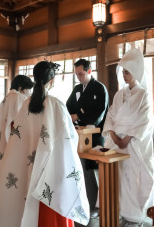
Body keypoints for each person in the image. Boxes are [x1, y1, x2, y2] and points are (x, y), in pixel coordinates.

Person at [0, 61, 89, 227]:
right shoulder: (56, 104)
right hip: (50, 169)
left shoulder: (26, 105)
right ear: (52, 80)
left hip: (26, 167)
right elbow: (69, 138)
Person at [102, 49, 154, 227]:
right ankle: (118, 214)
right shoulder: (119, 94)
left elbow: (144, 120)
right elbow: (110, 116)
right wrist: (112, 134)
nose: (125, 75)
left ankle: (134, 218)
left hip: (132, 145)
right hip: (116, 142)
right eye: (123, 71)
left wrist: (126, 139)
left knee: (133, 180)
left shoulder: (144, 95)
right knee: (116, 181)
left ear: (137, 71)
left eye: (128, 71)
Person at [66, 58, 109, 210]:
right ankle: (84, 202)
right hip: (79, 134)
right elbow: (68, 107)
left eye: (81, 74)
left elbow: (100, 112)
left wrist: (79, 116)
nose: (79, 77)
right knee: (81, 169)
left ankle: (98, 205)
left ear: (89, 71)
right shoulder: (77, 89)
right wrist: (72, 118)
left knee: (94, 170)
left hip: (94, 134)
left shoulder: (99, 88)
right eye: (77, 74)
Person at [0, 75, 34, 197]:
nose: (29, 92)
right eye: (28, 89)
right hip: (16, 139)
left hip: (4, 139)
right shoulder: (19, 98)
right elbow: (24, 121)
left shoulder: (7, 97)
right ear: (21, 87)